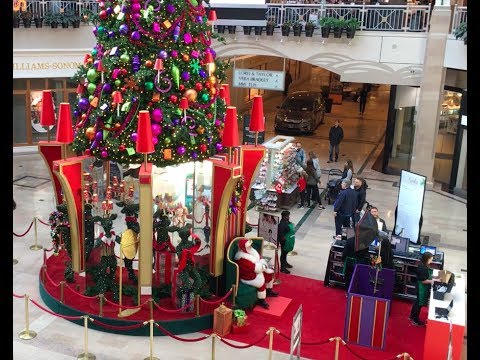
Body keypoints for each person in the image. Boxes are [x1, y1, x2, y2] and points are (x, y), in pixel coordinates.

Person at [234, 238, 278, 309]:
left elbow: (260, 259)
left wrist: (263, 265)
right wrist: (263, 266)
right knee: (260, 282)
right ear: (244, 248)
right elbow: (254, 268)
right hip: (249, 276)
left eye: (250, 245)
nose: (250, 247)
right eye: (248, 246)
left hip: (257, 269)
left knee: (268, 274)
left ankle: (269, 290)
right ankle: (261, 300)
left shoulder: (251, 251)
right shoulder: (241, 258)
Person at [409, 252, 439, 326]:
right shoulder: (423, 268)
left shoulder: (423, 265)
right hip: (421, 288)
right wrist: (433, 281)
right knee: (419, 304)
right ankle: (415, 320)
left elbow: (427, 276)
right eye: (431, 259)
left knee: (417, 302)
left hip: (420, 287)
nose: (431, 261)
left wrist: (435, 278)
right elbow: (423, 280)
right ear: (427, 259)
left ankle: (412, 316)